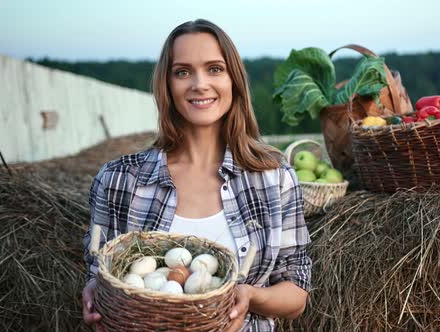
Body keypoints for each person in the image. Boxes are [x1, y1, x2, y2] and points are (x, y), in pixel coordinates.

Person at [81, 19, 311, 332]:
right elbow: (99, 274)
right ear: (167, 85)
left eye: (215, 68)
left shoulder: (274, 178)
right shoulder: (119, 180)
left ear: (234, 80)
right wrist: (96, 294)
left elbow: (296, 292)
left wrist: (247, 296)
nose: (199, 84)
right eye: (183, 71)